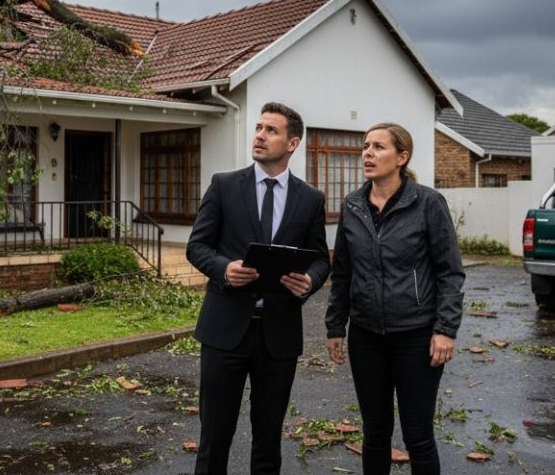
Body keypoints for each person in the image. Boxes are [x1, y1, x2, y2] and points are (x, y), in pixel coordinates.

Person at [187, 102, 331, 474]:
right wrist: (223, 269)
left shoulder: (310, 199)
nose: (260, 136)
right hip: (224, 331)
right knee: (214, 438)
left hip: (278, 336)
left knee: (268, 440)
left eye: (271, 130)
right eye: (258, 128)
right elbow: (197, 246)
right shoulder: (224, 185)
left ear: (292, 142)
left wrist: (311, 280)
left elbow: (320, 258)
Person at [324, 122, 465, 475]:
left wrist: (445, 328)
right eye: (365, 146)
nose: (367, 153)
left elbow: (450, 271)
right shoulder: (353, 205)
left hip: (416, 336)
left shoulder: (428, 203)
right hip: (366, 336)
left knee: (418, 436)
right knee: (374, 434)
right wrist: (334, 327)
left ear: (401, 157)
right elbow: (342, 271)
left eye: (378, 147)